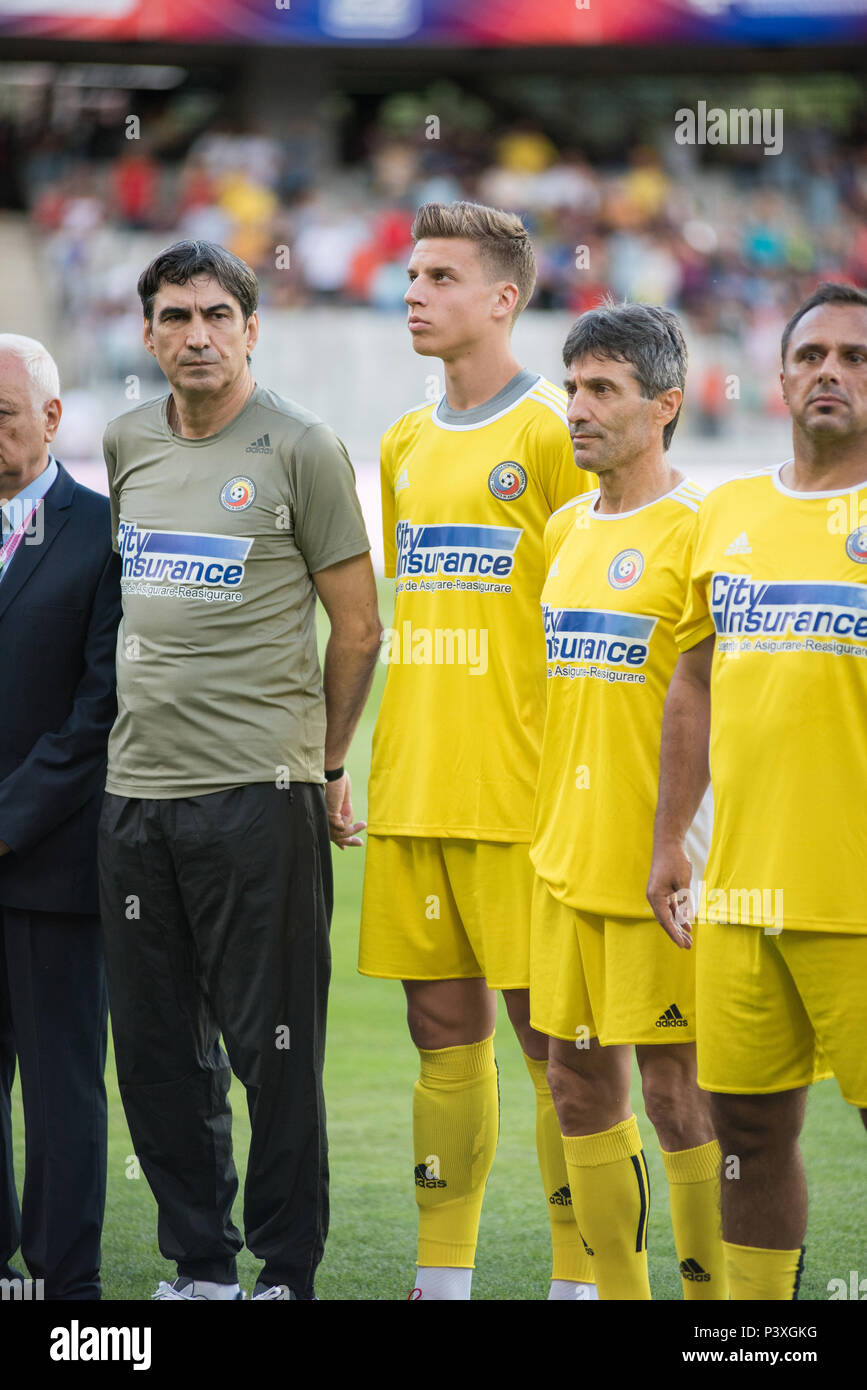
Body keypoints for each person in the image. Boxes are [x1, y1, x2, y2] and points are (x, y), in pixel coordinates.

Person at [98, 239, 381, 1302]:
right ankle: (201, 1265)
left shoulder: (302, 446)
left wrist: (326, 761)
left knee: (275, 1050)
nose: (197, 335)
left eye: (217, 315)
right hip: (134, 801)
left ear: (252, 330)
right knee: (161, 1052)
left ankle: (285, 1272)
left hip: (260, 799)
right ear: (149, 334)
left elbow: (358, 628)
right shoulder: (127, 441)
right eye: (175, 317)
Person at [359, 201, 597, 1301]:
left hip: (525, 796)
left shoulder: (555, 432)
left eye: (441, 276)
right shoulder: (403, 442)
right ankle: (441, 1277)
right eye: (412, 274)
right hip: (415, 788)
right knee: (438, 1037)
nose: (415, 291)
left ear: (503, 298)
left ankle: (579, 1278)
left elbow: (595, 616)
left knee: (559, 1052)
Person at [647, 281, 867, 1300]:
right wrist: (666, 848)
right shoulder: (727, 510)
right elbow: (690, 683)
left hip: (855, 896)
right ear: (779, 379)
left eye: (857, 358)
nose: (834, 372)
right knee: (745, 1124)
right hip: (739, 891)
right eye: (815, 355)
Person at [529, 301, 726, 1301]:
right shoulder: (564, 526)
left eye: (602, 389)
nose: (578, 408)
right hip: (562, 863)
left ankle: (711, 1312)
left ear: (665, 406)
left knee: (677, 1092)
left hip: (660, 868)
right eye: (572, 386)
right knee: (573, 1079)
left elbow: (707, 708)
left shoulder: (702, 530)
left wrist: (677, 847)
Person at [0, 334, 121, 1299]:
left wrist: (8, 819)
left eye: (3, 416)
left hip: (53, 861)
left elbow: (100, 705)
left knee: (62, 1089)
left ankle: (64, 1281)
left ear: (50, 420)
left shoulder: (103, 533)